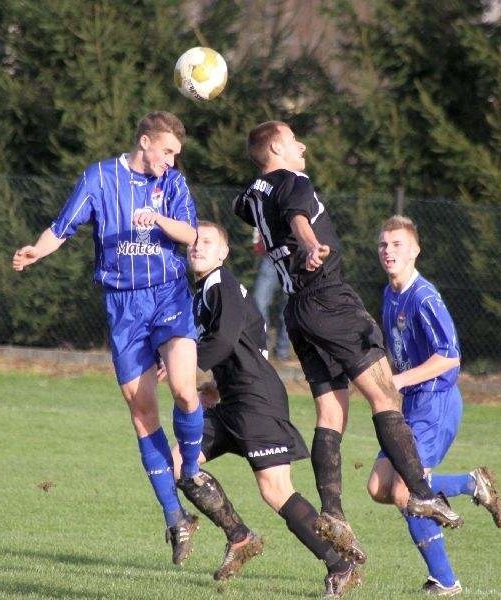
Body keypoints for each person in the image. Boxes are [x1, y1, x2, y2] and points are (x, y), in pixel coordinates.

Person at [232, 121, 463, 564]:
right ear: (278, 147)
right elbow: (299, 217)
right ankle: (421, 493)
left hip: (297, 309)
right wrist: (311, 244)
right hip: (329, 299)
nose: (301, 145)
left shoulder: (253, 193)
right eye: (293, 139)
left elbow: (249, 208)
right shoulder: (293, 179)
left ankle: (333, 513)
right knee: (385, 393)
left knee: (331, 411)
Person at [12, 111, 204, 565]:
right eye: (168, 151)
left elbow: (190, 233)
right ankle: (176, 518)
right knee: (142, 413)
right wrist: (36, 251)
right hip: (123, 306)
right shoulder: (99, 178)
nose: (172, 162)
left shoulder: (172, 185)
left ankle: (192, 470)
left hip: (168, 294)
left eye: (177, 154)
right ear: (144, 142)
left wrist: (155, 217)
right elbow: (62, 228)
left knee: (183, 386)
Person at [169, 221, 361, 597]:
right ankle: (239, 537)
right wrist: (218, 382)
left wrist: (184, 369)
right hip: (234, 399)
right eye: (193, 241)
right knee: (179, 463)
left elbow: (224, 340)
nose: (198, 247)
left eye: (207, 242)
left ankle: (341, 565)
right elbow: (248, 339)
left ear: (224, 253)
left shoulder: (220, 284)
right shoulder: (208, 290)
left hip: (257, 401)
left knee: (275, 491)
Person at [367, 215, 501, 596]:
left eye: (397, 244)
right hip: (408, 405)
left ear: (415, 250)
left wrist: (396, 381)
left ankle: (445, 580)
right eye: (383, 244)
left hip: (435, 404)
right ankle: (469, 483)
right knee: (378, 486)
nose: (388, 251)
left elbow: (450, 357)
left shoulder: (423, 297)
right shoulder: (390, 293)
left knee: (406, 492)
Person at [252, 228, 291, 360]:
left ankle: (282, 352)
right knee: (259, 302)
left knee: (289, 307)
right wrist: (257, 239)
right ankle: (262, 348)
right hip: (270, 256)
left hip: (294, 257)